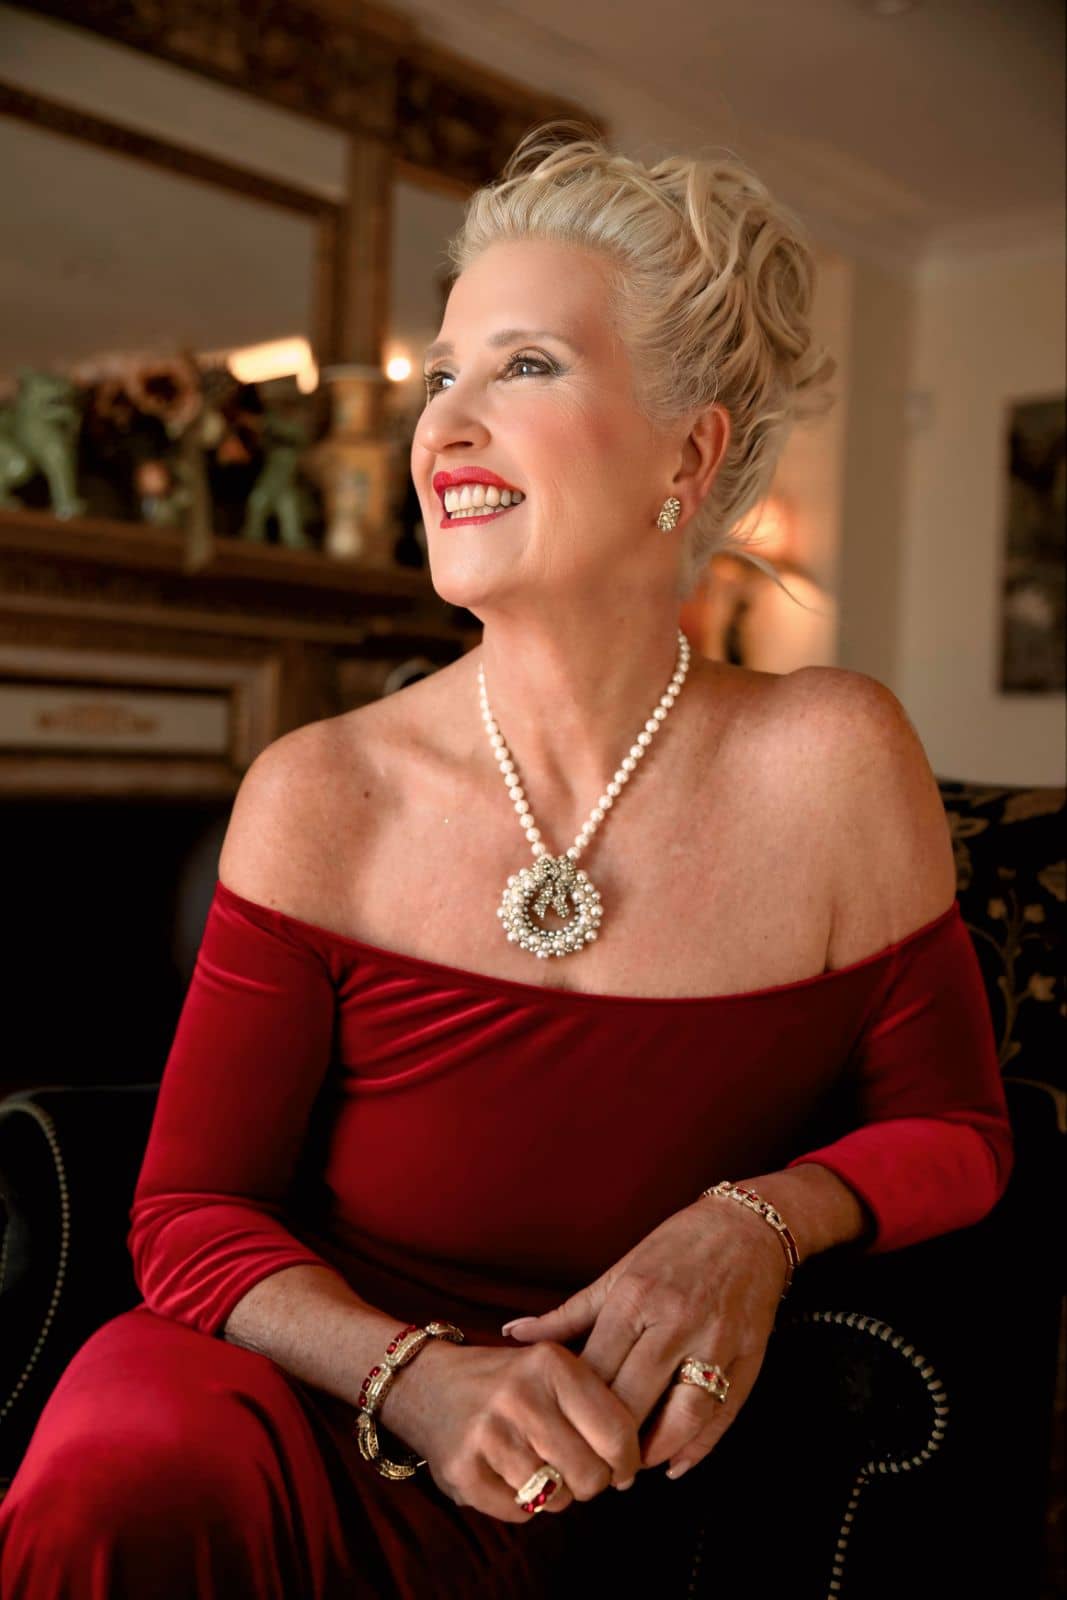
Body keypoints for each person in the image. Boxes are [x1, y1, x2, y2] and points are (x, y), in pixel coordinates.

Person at [0, 121, 1013, 1599]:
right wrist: (410, 1376)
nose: (444, 426)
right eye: (441, 374)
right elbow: (186, 1217)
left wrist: (755, 1225)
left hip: (624, 1465)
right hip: (311, 1412)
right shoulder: (323, 789)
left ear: (692, 448)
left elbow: (965, 1135)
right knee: (129, 1451)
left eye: (524, 366)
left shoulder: (837, 760)